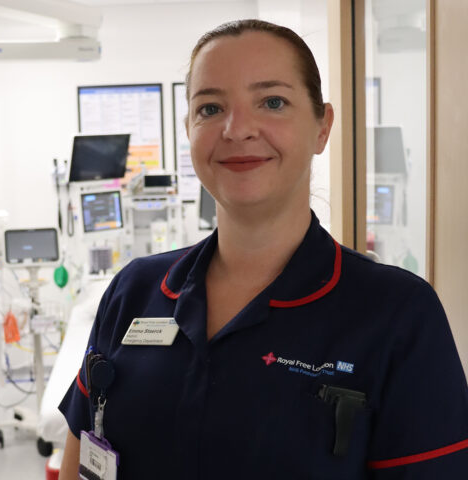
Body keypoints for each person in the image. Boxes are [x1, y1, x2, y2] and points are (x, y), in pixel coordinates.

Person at [59, 19, 468, 479]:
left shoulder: (398, 315)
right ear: (188, 129)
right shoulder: (133, 291)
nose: (237, 129)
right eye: (210, 108)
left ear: (322, 126)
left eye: (272, 102)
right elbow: (80, 457)